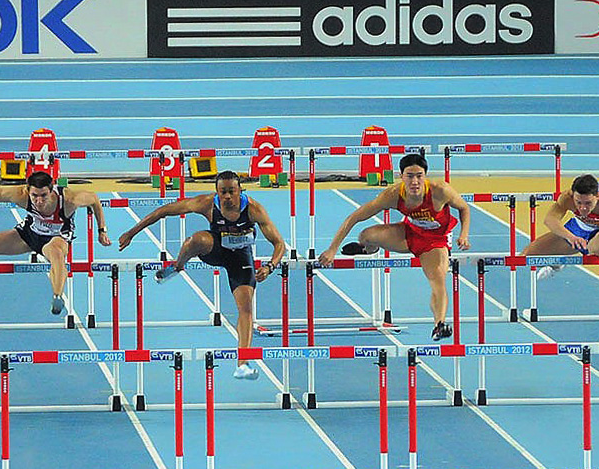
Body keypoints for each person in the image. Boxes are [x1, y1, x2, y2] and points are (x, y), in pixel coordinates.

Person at [117, 171, 288, 377]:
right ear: (216, 192)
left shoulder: (254, 209)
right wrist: (131, 233)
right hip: (215, 249)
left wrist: (270, 267)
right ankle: (177, 267)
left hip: (240, 258)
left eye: (231, 191)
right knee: (195, 240)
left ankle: (242, 364)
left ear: (240, 191)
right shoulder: (206, 203)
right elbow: (164, 211)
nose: (227, 196)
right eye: (222, 192)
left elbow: (279, 244)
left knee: (246, 308)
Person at [318, 153, 472, 341]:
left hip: (435, 241)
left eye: (419, 176)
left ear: (425, 176)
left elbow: (464, 208)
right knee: (365, 235)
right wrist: (332, 249)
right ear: (401, 176)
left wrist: (464, 234)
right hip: (409, 233)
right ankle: (369, 249)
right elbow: (354, 217)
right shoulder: (392, 195)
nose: (414, 181)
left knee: (437, 279)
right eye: (409, 176)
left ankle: (439, 324)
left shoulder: (440, 191)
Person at [0, 170, 111, 316]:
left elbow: (94, 199)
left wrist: (101, 230)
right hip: (28, 234)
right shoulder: (20, 195)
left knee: (57, 255)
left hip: (56, 238)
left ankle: (57, 296)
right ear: (28, 191)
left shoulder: (69, 199)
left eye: (44, 195)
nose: (39, 201)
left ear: (51, 190)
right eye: (34, 196)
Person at [524, 174, 599, 284]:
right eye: (578, 202)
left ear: (597, 196)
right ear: (573, 196)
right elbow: (550, 219)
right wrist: (571, 237)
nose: (583, 208)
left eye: (588, 203)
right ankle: (556, 264)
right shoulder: (567, 198)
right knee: (528, 256)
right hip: (576, 229)